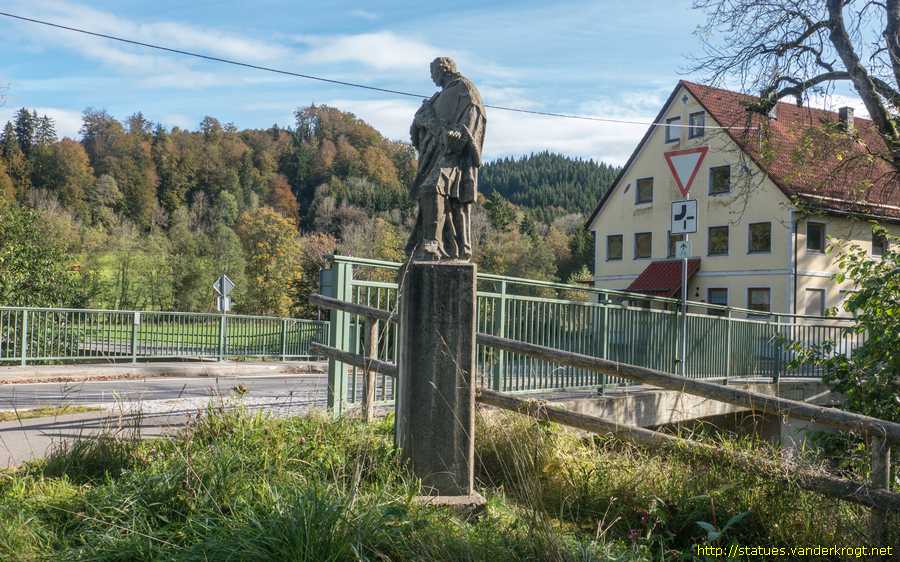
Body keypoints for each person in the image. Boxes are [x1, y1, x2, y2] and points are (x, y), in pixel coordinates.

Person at [406, 57, 486, 261]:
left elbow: (468, 126)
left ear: (443, 70)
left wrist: (438, 126)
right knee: (430, 193)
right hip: (434, 156)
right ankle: (433, 242)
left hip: (454, 158)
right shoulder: (437, 98)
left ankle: (433, 243)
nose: (432, 77)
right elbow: (417, 133)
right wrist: (420, 122)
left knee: (432, 188)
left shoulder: (465, 89)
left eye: (433, 72)